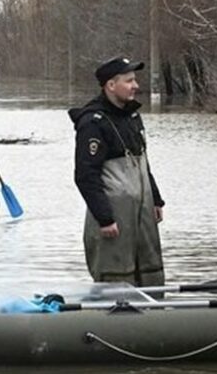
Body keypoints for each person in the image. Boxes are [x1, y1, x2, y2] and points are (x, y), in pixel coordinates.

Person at [68, 56, 165, 287]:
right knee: (116, 278)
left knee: (151, 274)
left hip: (141, 213)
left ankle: (155, 318)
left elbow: (143, 163)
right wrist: (105, 218)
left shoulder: (132, 116)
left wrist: (156, 199)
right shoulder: (93, 122)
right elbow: (85, 176)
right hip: (113, 218)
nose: (136, 86)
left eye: (135, 80)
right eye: (129, 81)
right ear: (111, 85)